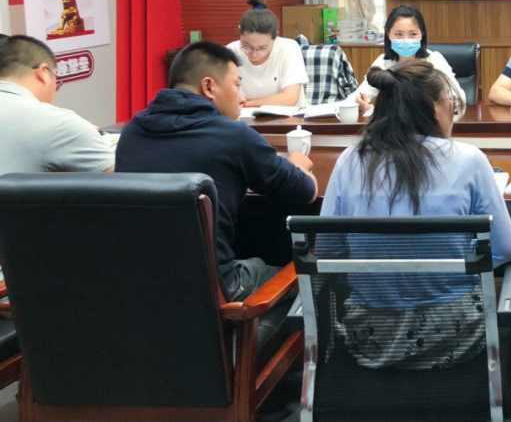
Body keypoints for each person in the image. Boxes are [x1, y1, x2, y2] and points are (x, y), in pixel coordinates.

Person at [319, 60, 511, 369]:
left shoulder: (350, 160)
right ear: (436, 110)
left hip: (371, 338)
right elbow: (506, 249)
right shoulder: (470, 160)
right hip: (457, 337)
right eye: (451, 103)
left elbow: (328, 252)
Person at [116, 41, 318, 301]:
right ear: (209, 87)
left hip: (139, 288)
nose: (241, 97)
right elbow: (306, 192)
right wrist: (298, 164)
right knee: (303, 275)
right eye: (237, 85)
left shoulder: (131, 132)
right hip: (217, 293)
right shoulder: (233, 135)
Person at [0, 35, 115, 174]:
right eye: (56, 79)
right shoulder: (57, 124)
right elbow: (124, 179)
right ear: (43, 73)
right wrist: (80, 133)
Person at [348, 5, 467, 111]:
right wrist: (360, 102)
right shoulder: (383, 63)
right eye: (399, 34)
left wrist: (440, 106)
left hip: (428, 122)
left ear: (421, 34)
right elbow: (357, 97)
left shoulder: (434, 60)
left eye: (413, 34)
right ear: (389, 34)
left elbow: (459, 97)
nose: (406, 40)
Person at [227, 0, 309, 109]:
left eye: (262, 48)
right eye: (247, 46)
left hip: (288, 116)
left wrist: (246, 104)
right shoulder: (230, 52)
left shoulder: (288, 48)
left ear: (275, 36)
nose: (254, 54)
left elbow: (289, 98)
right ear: (240, 32)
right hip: (243, 117)